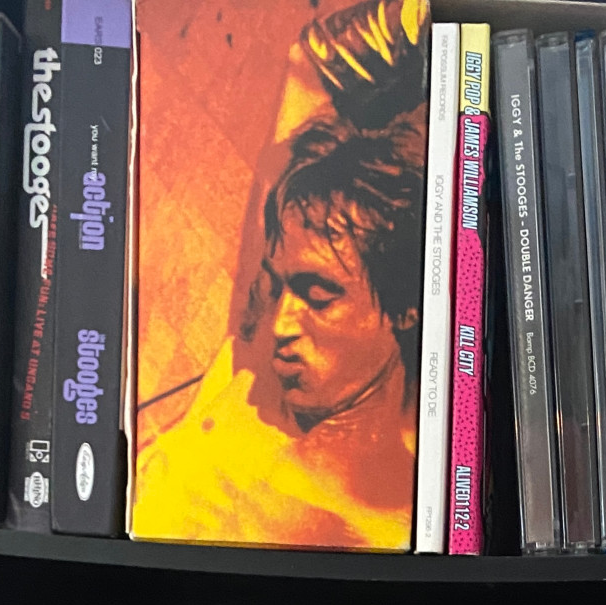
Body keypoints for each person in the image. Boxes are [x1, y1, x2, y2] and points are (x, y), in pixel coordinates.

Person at [133, 113, 425, 549]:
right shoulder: (247, 375)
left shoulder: (380, 528)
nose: (280, 324)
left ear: (404, 308)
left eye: (318, 296)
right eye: (276, 287)